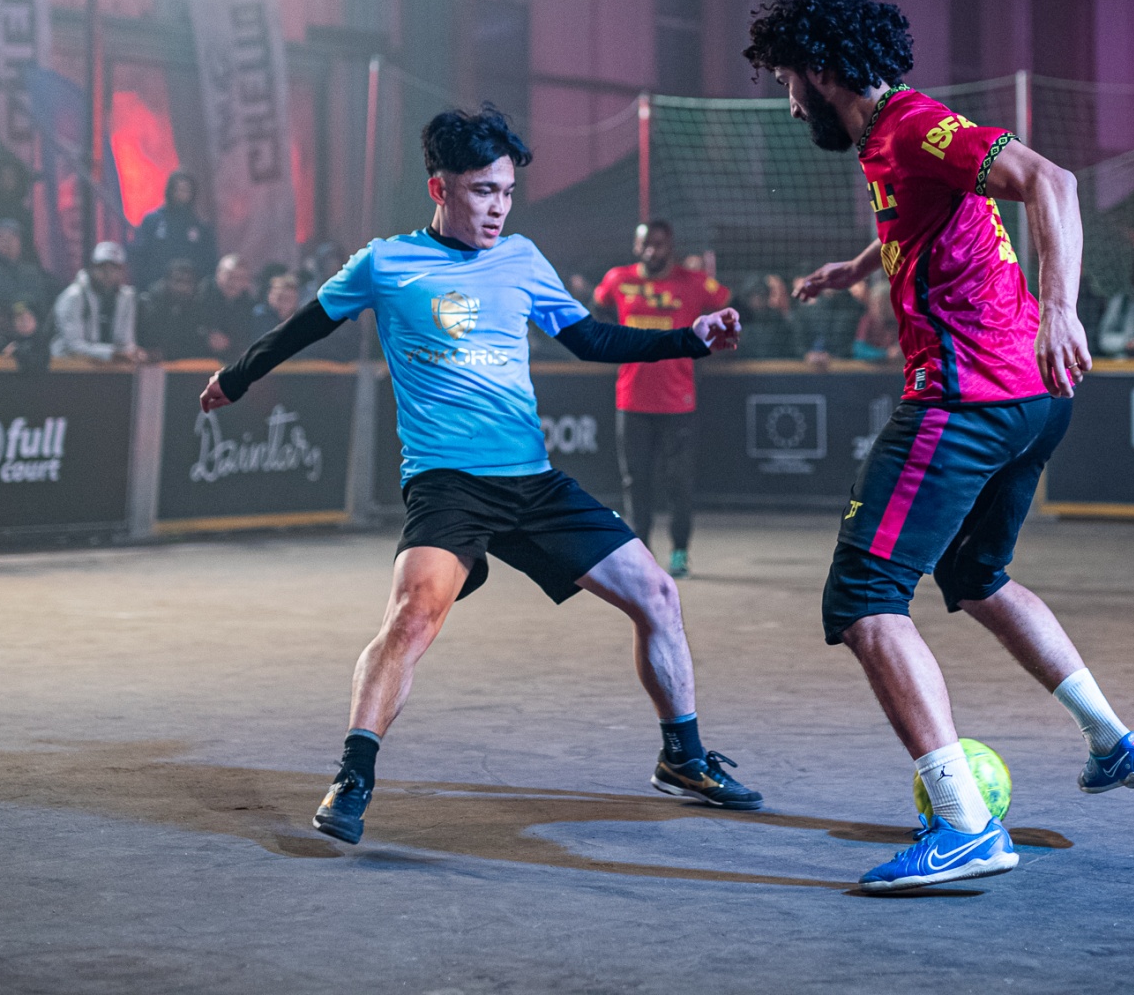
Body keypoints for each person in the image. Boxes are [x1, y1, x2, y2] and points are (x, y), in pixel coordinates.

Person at [198, 104, 760, 847]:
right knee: (413, 617)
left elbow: (592, 340)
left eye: (506, 192)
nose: (498, 208)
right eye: (482, 191)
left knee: (657, 593)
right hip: (447, 483)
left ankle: (682, 759)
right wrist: (235, 378)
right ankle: (353, 776)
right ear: (441, 188)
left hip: (532, 481)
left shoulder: (522, 259)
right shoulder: (386, 263)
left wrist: (690, 339)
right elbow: (303, 325)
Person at [748, 0, 1134, 894]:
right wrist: (861, 265)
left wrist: (1061, 309)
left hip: (967, 398)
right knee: (975, 576)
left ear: (821, 70)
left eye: (786, 82)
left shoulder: (910, 126)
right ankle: (1113, 741)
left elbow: (1051, 181)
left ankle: (966, 827)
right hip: (1031, 401)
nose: (790, 104)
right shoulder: (891, 140)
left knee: (864, 598)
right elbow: (942, 211)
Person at [592, 219, 731, 577]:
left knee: (679, 482)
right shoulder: (617, 280)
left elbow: (731, 306)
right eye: (646, 244)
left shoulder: (694, 282)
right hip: (632, 398)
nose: (652, 251)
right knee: (635, 482)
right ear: (636, 246)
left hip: (678, 400)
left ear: (671, 247)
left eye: (659, 244)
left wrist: (713, 343)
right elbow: (598, 306)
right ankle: (640, 553)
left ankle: (680, 552)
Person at [51, 241, 141, 363]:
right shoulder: (73, 296)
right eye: (102, 268)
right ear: (92, 268)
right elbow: (73, 346)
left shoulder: (126, 297)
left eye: (114, 268)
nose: (108, 274)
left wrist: (134, 352)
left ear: (122, 272)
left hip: (110, 367)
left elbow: (126, 342)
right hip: (67, 367)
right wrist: (113, 353)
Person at [128, 170, 215, 293]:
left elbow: (209, 262)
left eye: (185, 190)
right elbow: (140, 256)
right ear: (169, 191)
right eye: (177, 189)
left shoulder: (201, 228)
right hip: (155, 291)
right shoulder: (152, 221)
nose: (181, 194)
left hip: (191, 293)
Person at [0, 217, 52, 319]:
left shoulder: (31, 273)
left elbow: (40, 304)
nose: (6, 242)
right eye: (1, 237)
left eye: (12, 237)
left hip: (29, 326)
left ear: (20, 241)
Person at [136, 257, 218, 361]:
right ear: (166, 281)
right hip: (149, 362)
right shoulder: (148, 304)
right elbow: (143, 339)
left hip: (185, 363)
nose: (183, 287)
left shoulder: (198, 306)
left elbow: (196, 342)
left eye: (188, 282)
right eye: (178, 281)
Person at [197, 252, 255, 359]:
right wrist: (207, 336)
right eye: (230, 276)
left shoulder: (249, 303)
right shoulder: (198, 294)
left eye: (241, 278)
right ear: (218, 273)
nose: (234, 283)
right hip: (196, 358)